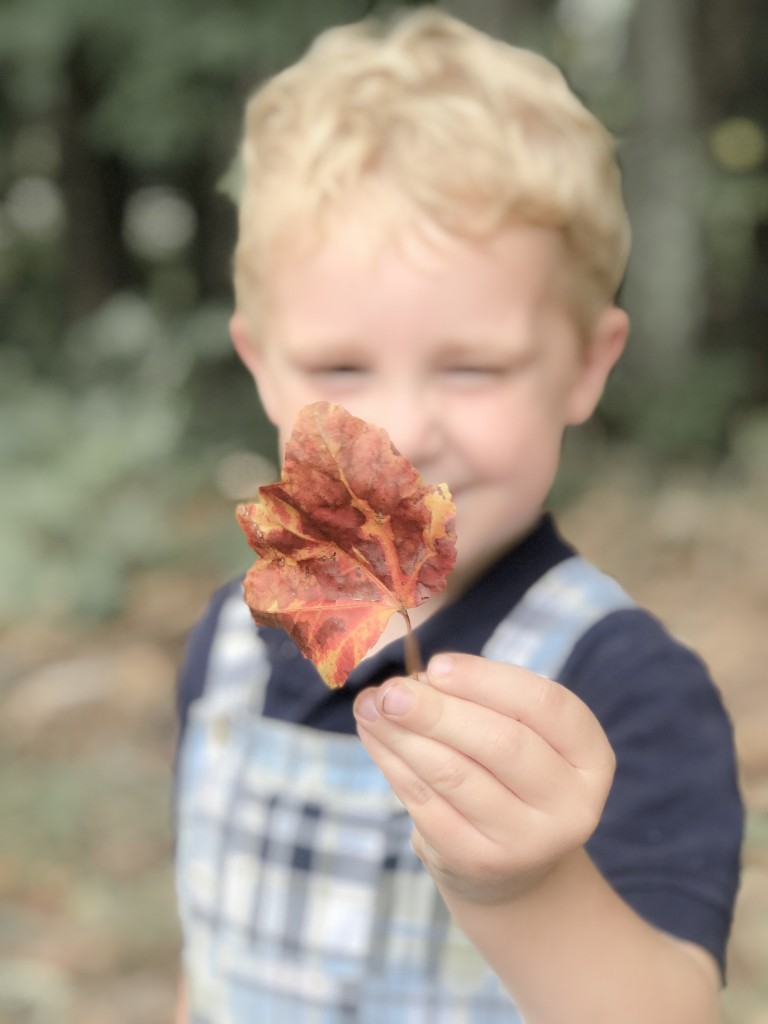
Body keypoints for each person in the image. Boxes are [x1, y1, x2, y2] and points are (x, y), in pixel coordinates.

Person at [173, 9, 743, 1023]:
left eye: (473, 366)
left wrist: (523, 888)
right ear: (260, 367)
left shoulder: (629, 685)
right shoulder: (228, 637)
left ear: (585, 364)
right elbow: (209, 950)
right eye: (342, 367)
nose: (401, 431)